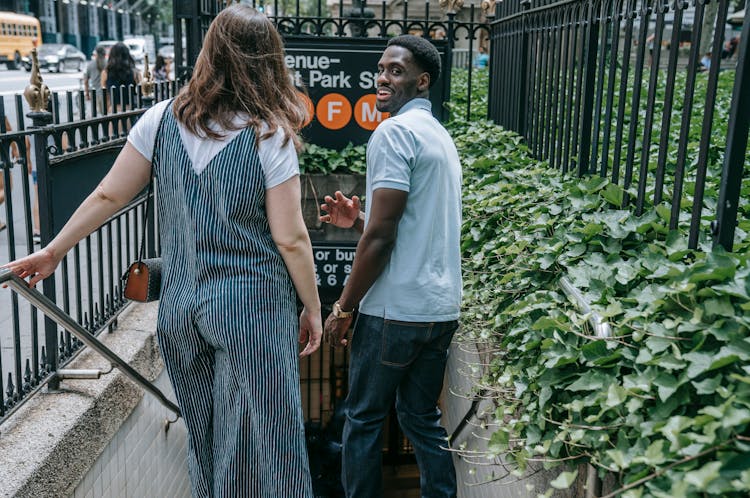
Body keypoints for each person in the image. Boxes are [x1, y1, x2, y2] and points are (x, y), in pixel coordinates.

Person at [3, 5, 321, 497]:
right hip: (251, 308)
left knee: (207, 437)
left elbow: (110, 194)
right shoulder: (267, 135)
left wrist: (54, 251)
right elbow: (291, 237)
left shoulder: (161, 120)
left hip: (180, 309)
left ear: (210, 53)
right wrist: (314, 307)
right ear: (268, 63)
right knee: (267, 442)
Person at [319, 35, 462, 498]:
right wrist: (357, 219)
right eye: (381, 69)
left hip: (394, 314)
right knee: (422, 419)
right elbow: (404, 227)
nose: (382, 78)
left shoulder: (394, 133)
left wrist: (343, 308)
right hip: (439, 311)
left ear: (422, 81)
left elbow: (383, 238)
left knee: (362, 420)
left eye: (395, 71)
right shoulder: (439, 136)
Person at [101, 42, 142, 111]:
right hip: (131, 109)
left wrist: (107, 109)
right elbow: (141, 92)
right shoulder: (135, 72)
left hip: (114, 110)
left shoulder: (105, 73)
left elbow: (105, 95)